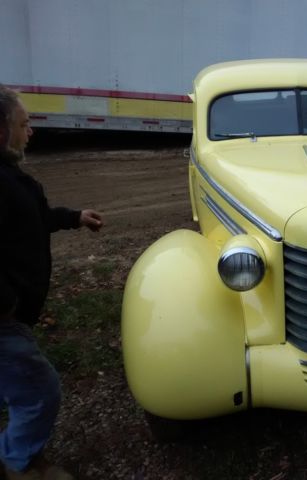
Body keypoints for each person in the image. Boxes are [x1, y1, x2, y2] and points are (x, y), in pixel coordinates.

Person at [0, 85, 103, 480]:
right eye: (24, 124)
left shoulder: (8, 177)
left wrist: (74, 216)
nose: (31, 132)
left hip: (11, 315)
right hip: (3, 320)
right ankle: (19, 463)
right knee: (39, 391)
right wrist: (5, 302)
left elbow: (33, 219)